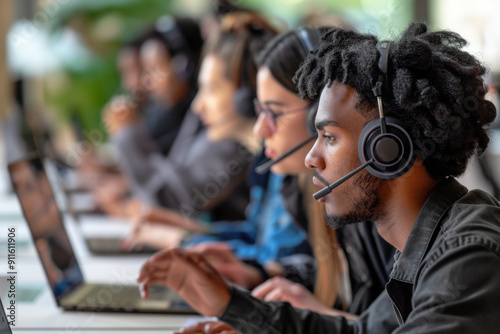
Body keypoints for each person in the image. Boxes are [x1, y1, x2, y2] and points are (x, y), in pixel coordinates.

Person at [137, 22, 500, 333]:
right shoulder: (422, 247)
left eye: (328, 138)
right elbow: (359, 331)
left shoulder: (467, 254)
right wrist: (234, 306)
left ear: (388, 150)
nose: (312, 158)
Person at [125, 13, 316, 270]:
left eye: (212, 90)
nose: (197, 105)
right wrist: (188, 227)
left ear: (246, 96)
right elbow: (254, 235)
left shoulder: (291, 163)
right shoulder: (268, 161)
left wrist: (181, 240)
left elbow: (271, 262)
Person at [103, 15, 254, 222]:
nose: (146, 81)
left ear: (185, 67)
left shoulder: (231, 134)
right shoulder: (197, 120)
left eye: (154, 69)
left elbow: (171, 198)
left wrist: (128, 134)